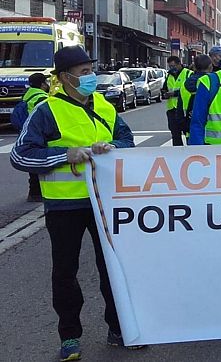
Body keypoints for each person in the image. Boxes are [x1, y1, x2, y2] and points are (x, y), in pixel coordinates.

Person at [10, 45, 139, 360]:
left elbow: (128, 140)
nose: (90, 77)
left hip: (104, 202)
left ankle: (118, 328)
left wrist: (112, 145)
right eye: (83, 73)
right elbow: (20, 154)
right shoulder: (47, 110)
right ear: (64, 78)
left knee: (112, 267)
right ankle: (69, 336)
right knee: (65, 272)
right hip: (65, 207)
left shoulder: (105, 107)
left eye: (91, 70)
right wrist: (63, 155)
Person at [19, 73, 50, 202]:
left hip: (27, 131)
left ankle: (33, 192)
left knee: (32, 164)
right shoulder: (41, 97)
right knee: (40, 164)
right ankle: (36, 192)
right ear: (42, 84)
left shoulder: (27, 95)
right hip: (39, 132)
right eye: (46, 82)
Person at [177, 54, 213, 140]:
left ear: (194, 67)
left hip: (191, 130)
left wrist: (185, 128)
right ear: (210, 67)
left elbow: (179, 111)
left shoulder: (184, 85)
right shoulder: (213, 84)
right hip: (212, 132)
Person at [163, 55, 192, 146]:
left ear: (179, 64)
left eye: (174, 66)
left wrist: (174, 93)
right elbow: (165, 88)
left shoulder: (188, 73)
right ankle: (177, 156)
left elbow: (190, 89)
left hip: (185, 109)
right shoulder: (169, 76)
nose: (172, 68)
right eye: (170, 66)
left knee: (188, 134)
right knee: (175, 135)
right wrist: (165, 93)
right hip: (172, 109)